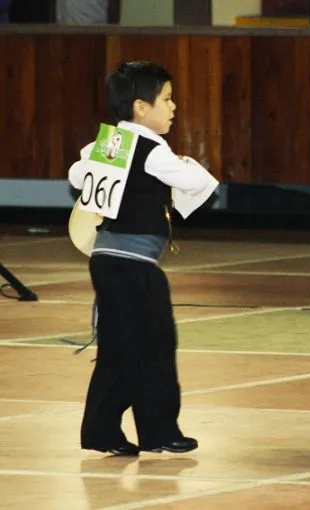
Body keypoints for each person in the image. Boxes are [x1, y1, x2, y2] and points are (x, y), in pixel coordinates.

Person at [68, 61, 218, 456]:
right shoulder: (151, 151)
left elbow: (76, 173)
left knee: (120, 348)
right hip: (135, 266)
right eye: (166, 99)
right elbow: (197, 183)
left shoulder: (108, 145)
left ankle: (102, 429)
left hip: (105, 261)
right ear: (140, 107)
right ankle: (160, 431)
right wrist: (185, 164)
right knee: (155, 345)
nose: (174, 107)